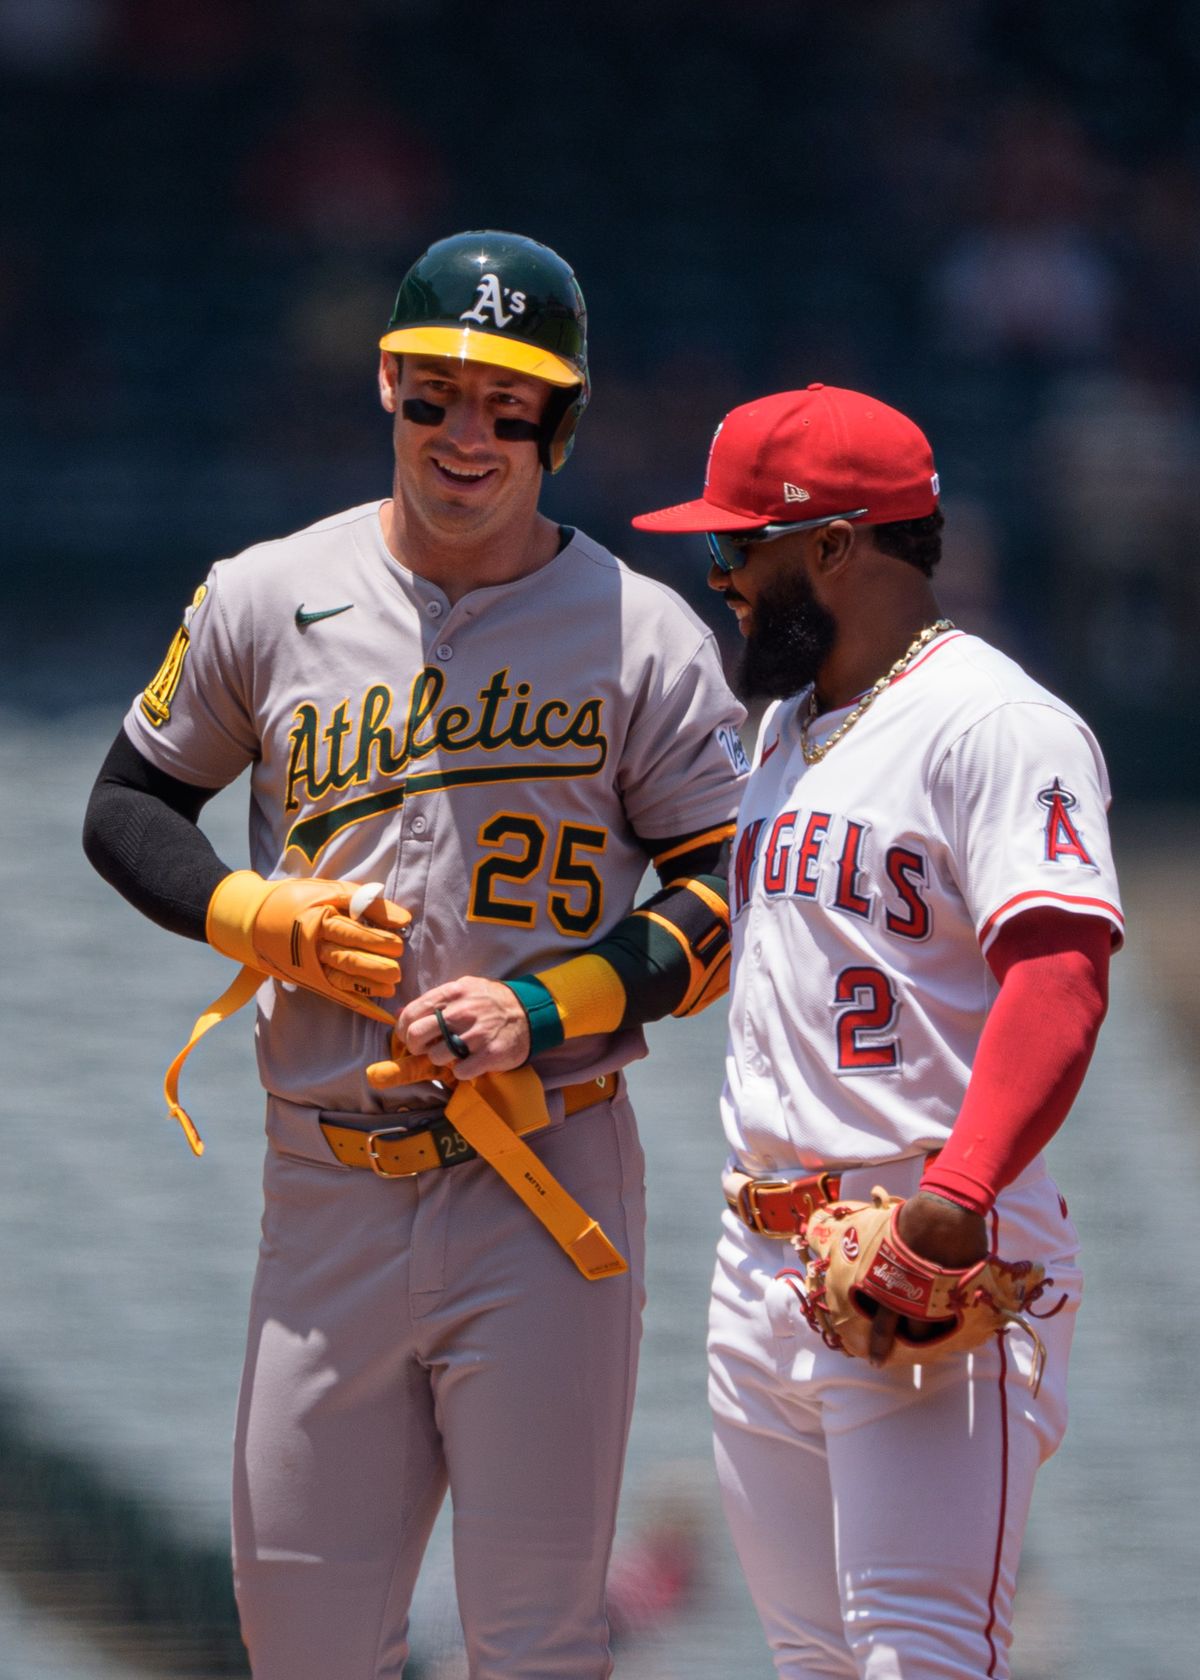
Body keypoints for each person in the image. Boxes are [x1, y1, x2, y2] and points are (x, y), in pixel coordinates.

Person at [83, 230, 749, 1679]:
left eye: (508, 406)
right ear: (386, 387)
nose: (466, 434)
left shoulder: (645, 636)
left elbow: (722, 888)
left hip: (545, 1169)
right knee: (303, 1642)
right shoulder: (268, 592)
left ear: (560, 423)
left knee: (536, 1645)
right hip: (328, 1178)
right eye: (436, 393)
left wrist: (544, 1003)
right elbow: (127, 806)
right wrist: (261, 919)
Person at [631, 383, 1123, 1680]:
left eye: (737, 546)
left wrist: (956, 1199)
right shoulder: (785, 731)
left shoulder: (995, 723)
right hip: (765, 1256)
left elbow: (1062, 972)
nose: (722, 577)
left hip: (927, 1238)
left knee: (918, 1654)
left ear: (837, 545)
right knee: (815, 1661)